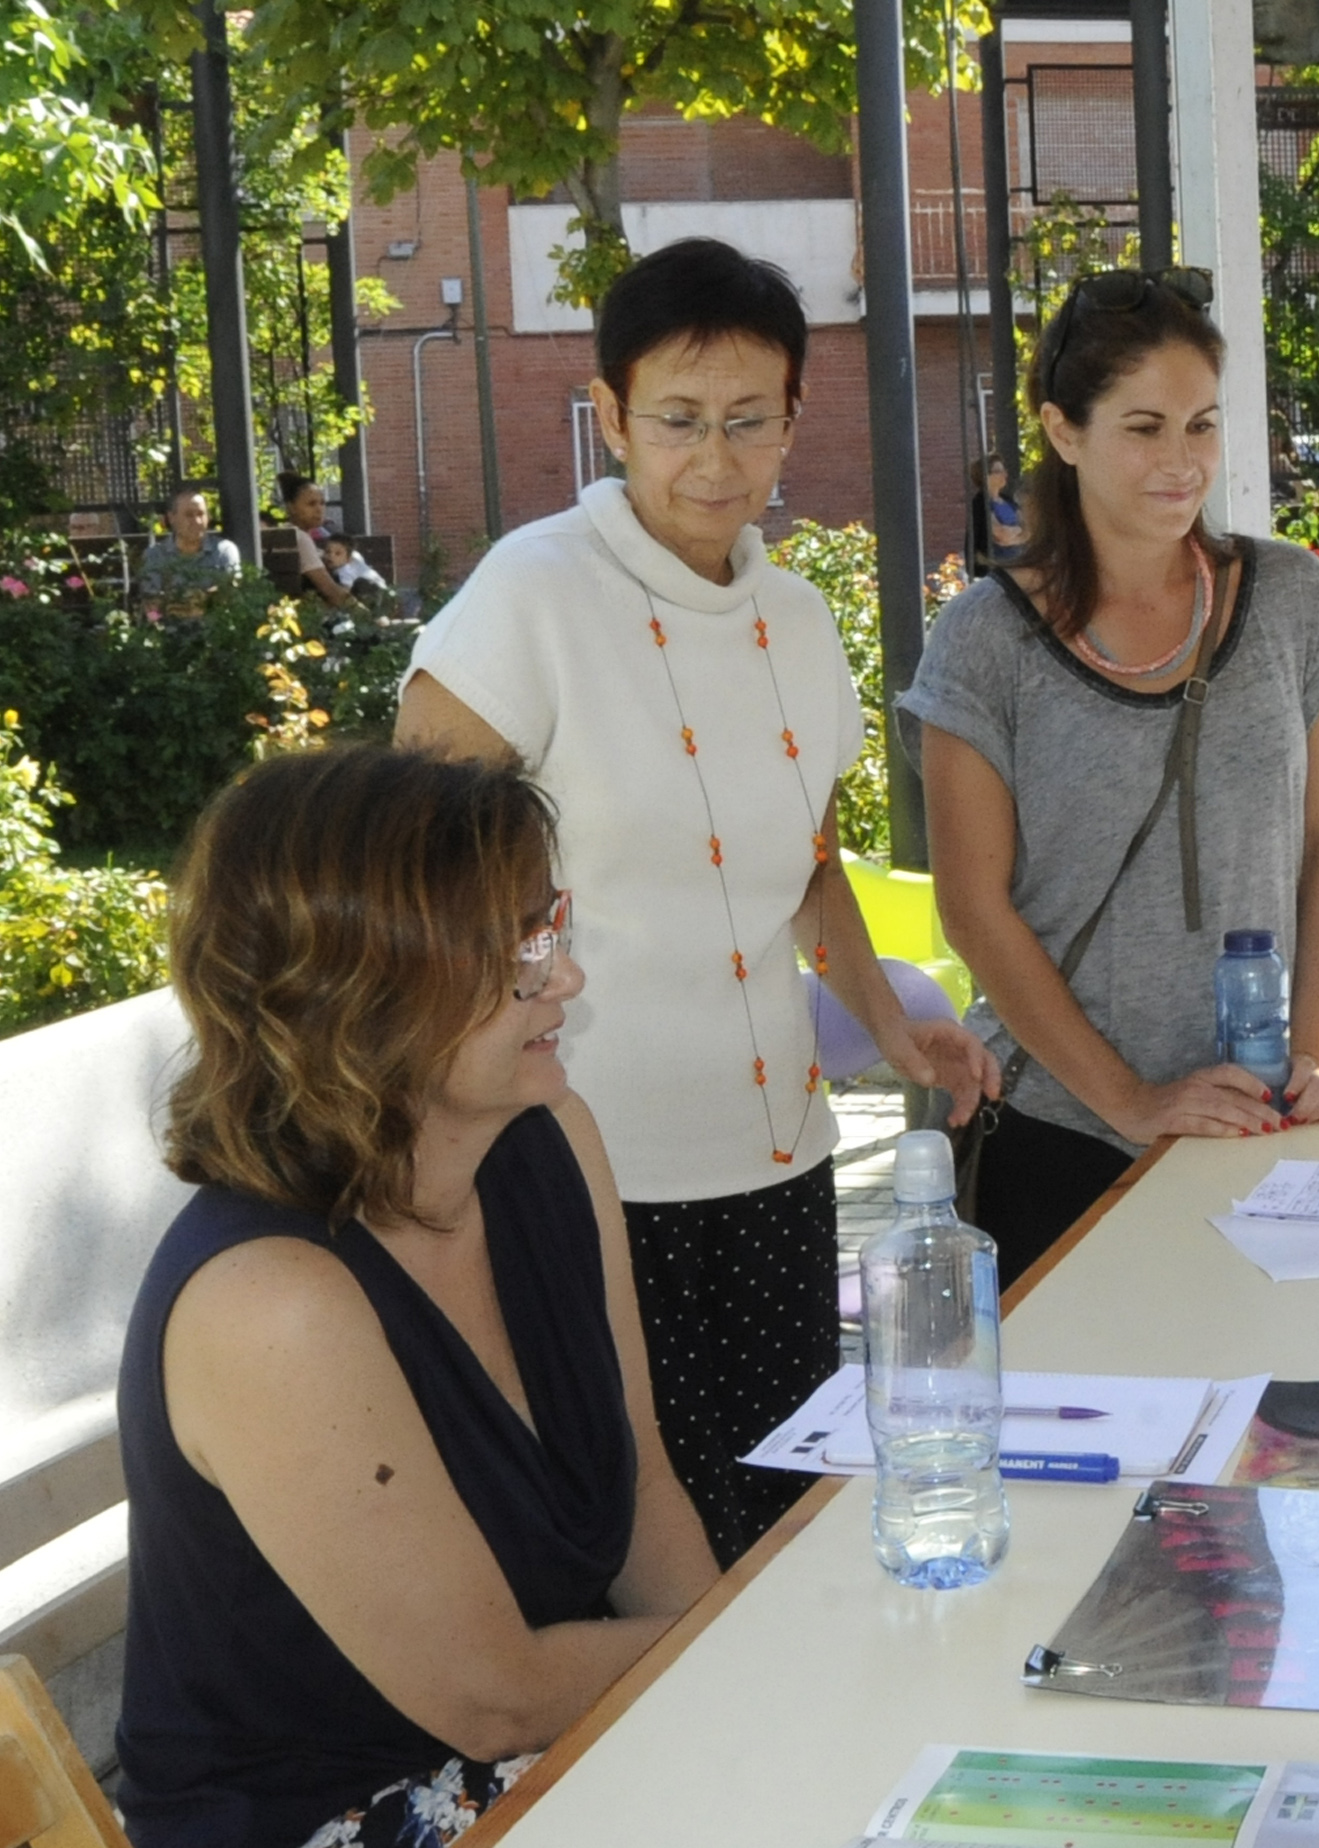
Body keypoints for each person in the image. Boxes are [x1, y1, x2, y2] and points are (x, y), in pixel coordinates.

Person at [395, 236, 999, 1568]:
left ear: (792, 419)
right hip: (575, 1161)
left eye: (747, 420)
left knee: (780, 1524)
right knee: (628, 1544)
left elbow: (810, 868)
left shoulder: (799, 620)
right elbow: (413, 883)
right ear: (610, 415)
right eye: (677, 420)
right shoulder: (532, 594)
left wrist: (895, 1032)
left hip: (775, 1158)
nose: (714, 460)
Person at [114, 746, 719, 1848]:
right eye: (517, 949)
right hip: (337, 1815)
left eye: (552, 925)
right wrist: (754, 1636)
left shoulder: (551, 1139)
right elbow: (494, 1697)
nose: (566, 978)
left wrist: (743, 1681)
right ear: (364, 991)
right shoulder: (270, 1304)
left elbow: (641, 1482)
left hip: (542, 1753)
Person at [901, 266, 1319, 1275]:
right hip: (1062, 1139)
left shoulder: (1291, 598)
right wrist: (1134, 1102)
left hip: (1259, 1126)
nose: (1182, 461)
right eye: (1144, 428)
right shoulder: (986, 639)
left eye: (1202, 425)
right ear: (1063, 431)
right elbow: (973, 907)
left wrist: (1313, 1056)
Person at [140, 486, 241, 618]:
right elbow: (151, 608)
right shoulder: (155, 555)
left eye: (201, 514)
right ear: (171, 518)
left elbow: (232, 595)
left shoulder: (224, 551)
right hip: (170, 628)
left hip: (215, 627)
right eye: (189, 515)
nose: (197, 521)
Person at [274, 472, 357, 612]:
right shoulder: (299, 538)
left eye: (322, 503)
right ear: (291, 507)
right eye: (311, 504)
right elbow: (331, 591)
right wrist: (368, 616)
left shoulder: (283, 534)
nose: (319, 509)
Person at [966, 454, 1023, 577]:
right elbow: (1001, 533)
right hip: (996, 569)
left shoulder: (1008, 501)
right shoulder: (981, 502)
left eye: (1004, 470)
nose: (1004, 474)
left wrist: (1014, 535)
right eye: (998, 471)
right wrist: (1019, 532)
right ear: (984, 476)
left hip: (1017, 564)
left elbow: (1031, 530)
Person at [325, 531, 394, 609]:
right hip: (384, 591)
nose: (331, 556)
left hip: (377, 595)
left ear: (349, 559)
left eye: (337, 554)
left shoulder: (345, 571)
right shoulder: (353, 559)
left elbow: (345, 592)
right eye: (327, 552)